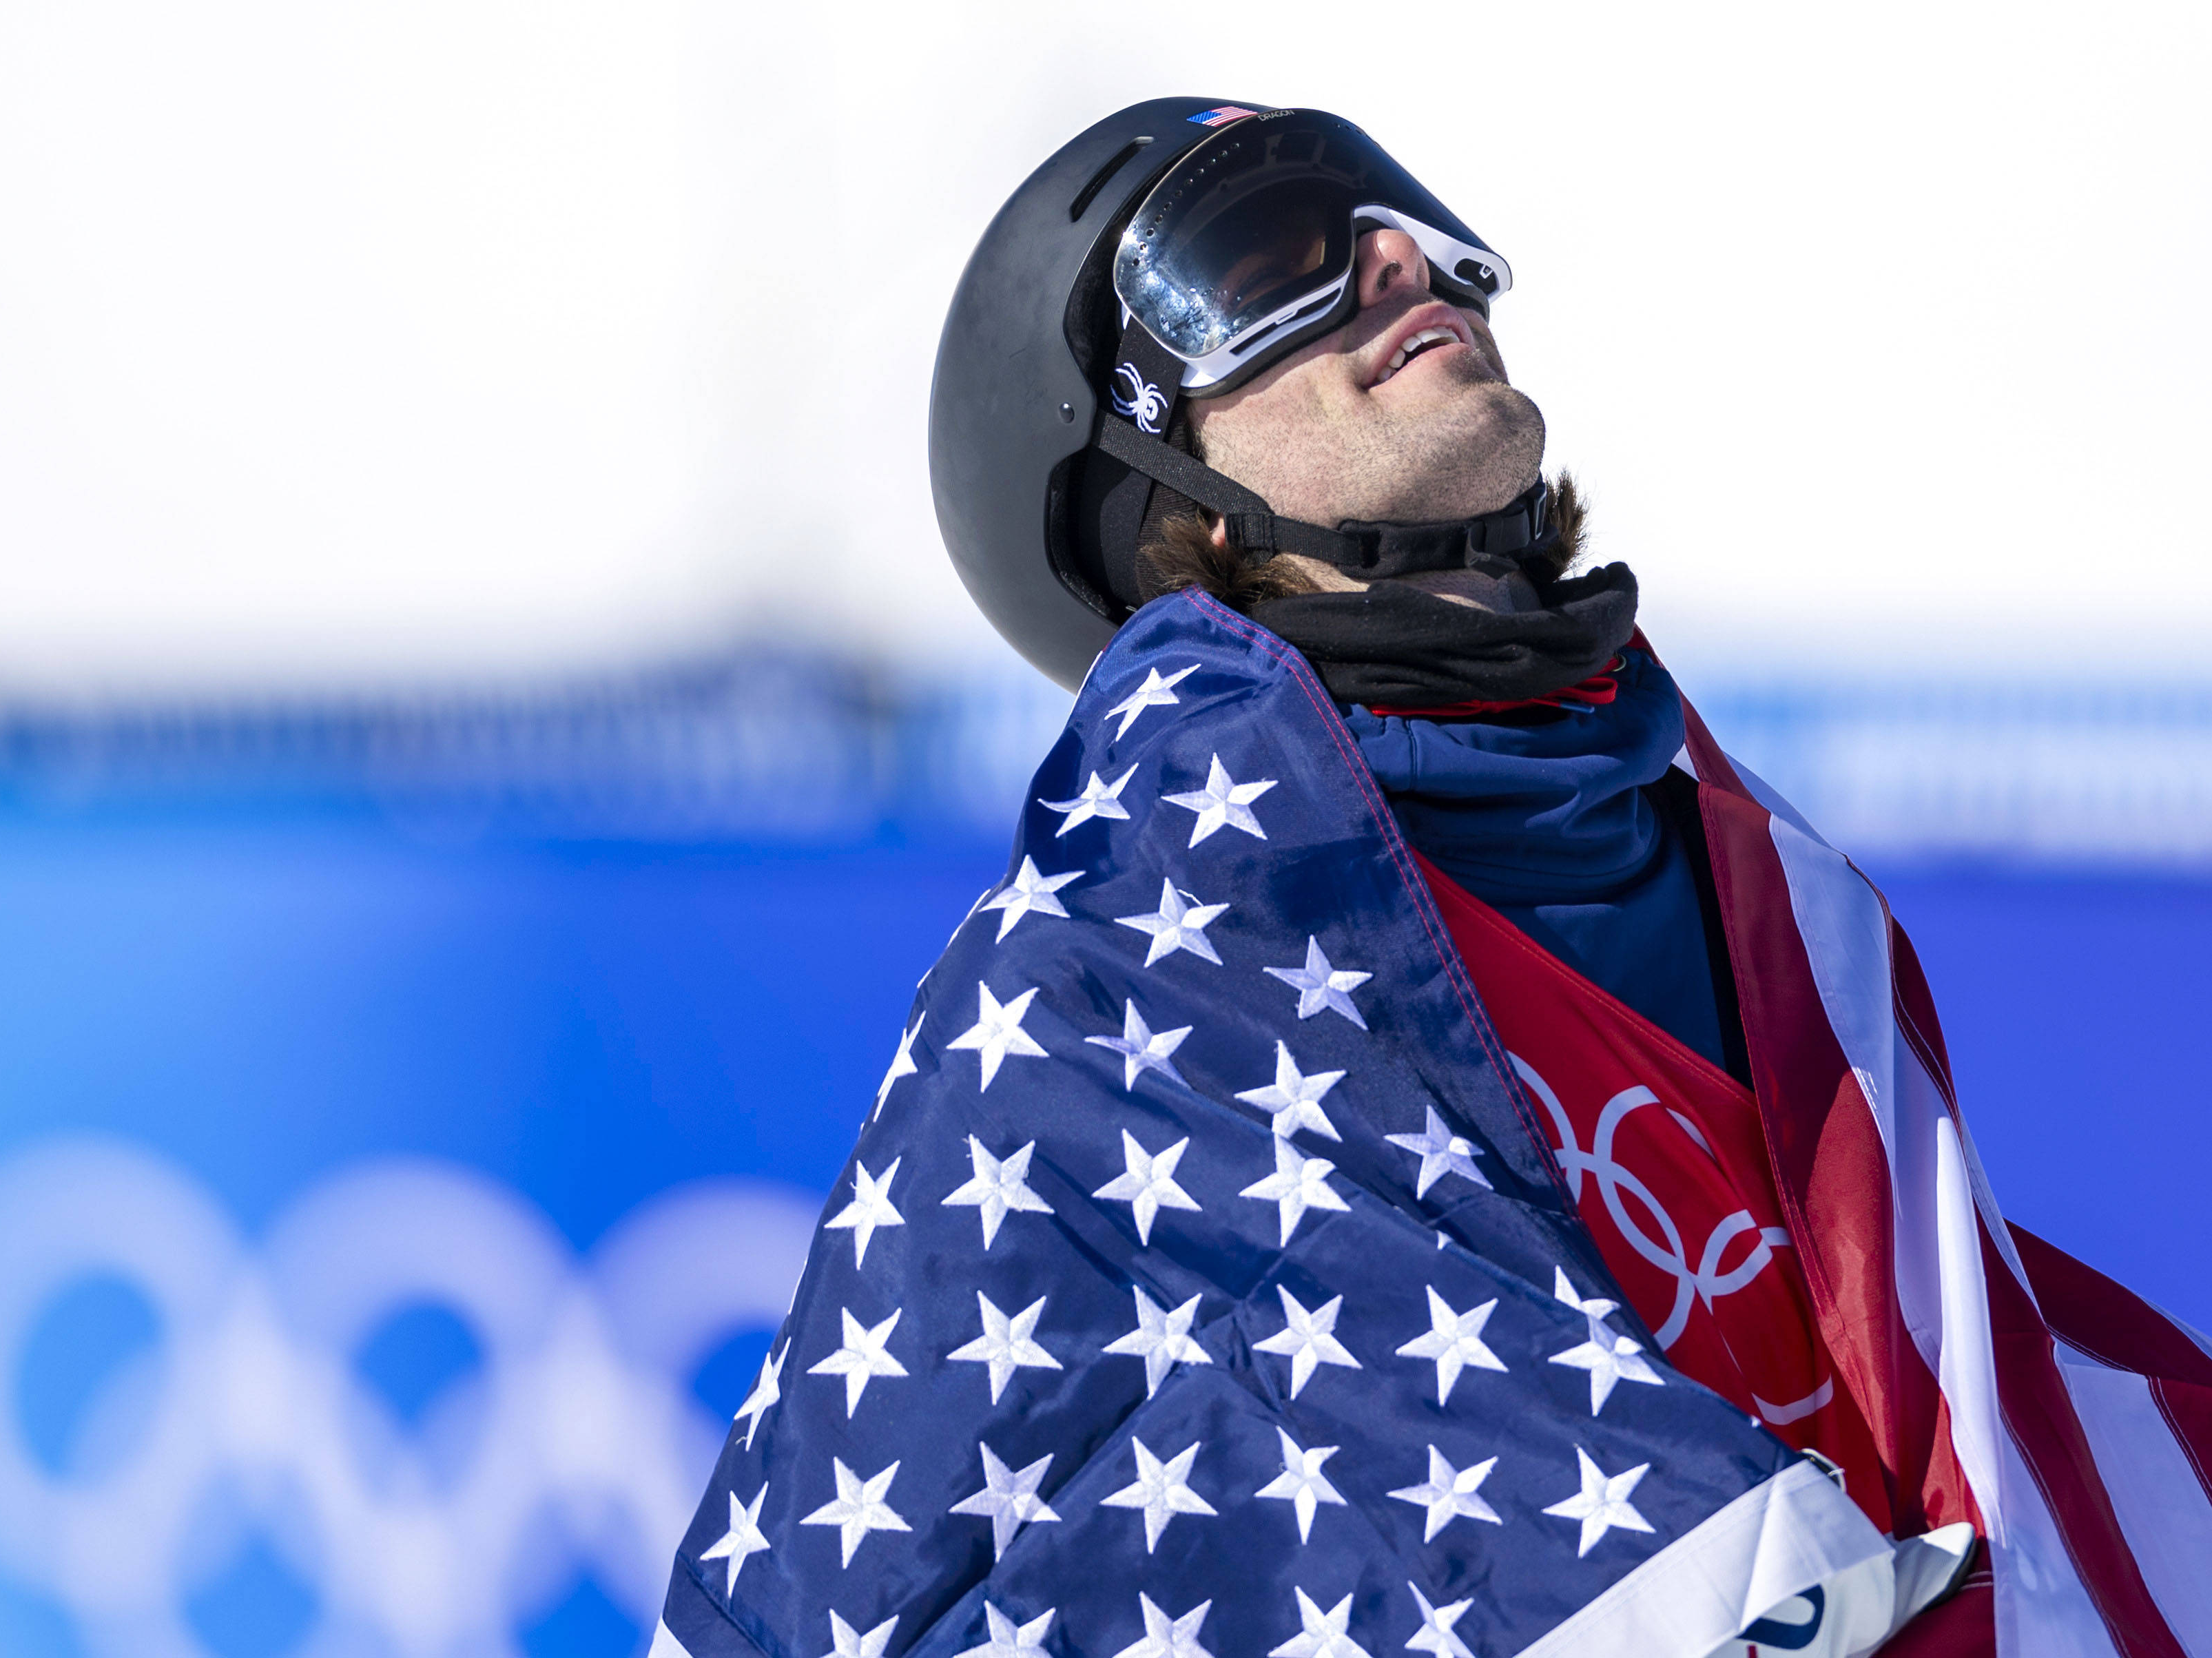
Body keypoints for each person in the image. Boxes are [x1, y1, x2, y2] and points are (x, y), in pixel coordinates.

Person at [650, 100, 2211, 1658]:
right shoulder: (1100, 986)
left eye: (1396, 212)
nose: (1400, 258)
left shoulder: (1776, 895)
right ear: (1161, 497)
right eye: (1259, 263)